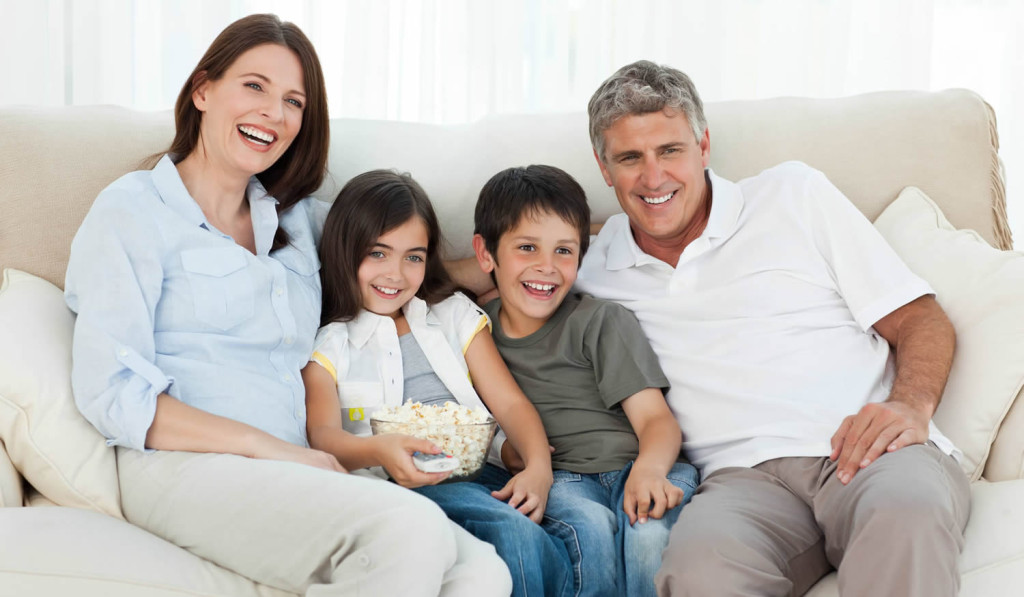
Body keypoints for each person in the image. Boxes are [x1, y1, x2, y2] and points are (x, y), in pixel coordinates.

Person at [64, 14, 510, 597]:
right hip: (186, 467)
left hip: (292, 469)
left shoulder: (300, 220)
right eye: (254, 86)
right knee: (410, 532)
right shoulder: (131, 211)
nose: (273, 114)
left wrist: (530, 262)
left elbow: (394, 265)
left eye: (293, 101)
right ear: (203, 90)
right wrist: (269, 448)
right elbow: (112, 391)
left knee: (484, 571)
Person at [576, 60, 970, 596]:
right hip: (739, 485)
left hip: (867, 450)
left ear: (704, 145)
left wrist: (910, 405)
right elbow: (493, 270)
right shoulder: (591, 268)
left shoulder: (793, 195)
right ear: (605, 170)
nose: (653, 177)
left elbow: (921, 318)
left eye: (670, 150)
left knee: (907, 513)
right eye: (629, 159)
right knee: (696, 574)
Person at [301, 169, 572, 597]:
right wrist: (381, 450)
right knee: (514, 530)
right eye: (378, 253)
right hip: (401, 487)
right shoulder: (331, 345)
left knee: (577, 526)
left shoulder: (451, 315)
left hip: (484, 472)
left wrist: (538, 467)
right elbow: (323, 437)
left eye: (414, 256)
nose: (396, 273)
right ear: (343, 250)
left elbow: (511, 404)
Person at [471, 164, 700, 597]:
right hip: (564, 479)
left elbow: (656, 419)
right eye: (526, 247)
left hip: (647, 465)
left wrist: (649, 471)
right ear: (485, 254)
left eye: (564, 250)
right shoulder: (472, 333)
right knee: (590, 530)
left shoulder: (599, 320)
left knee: (648, 535)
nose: (546, 267)